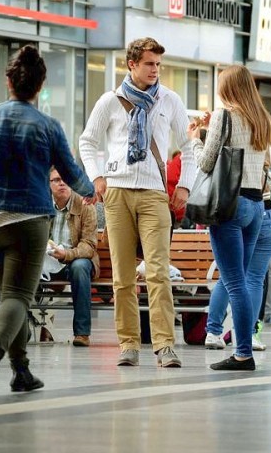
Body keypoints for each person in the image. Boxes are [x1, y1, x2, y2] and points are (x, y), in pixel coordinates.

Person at [0, 44, 94, 397]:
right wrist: (92, 190)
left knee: (9, 295)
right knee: (18, 295)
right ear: (40, 85)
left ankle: (22, 372)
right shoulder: (48, 125)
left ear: (9, 81)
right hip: (29, 219)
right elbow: (71, 172)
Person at [79, 37, 194, 368]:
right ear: (131, 64)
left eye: (158, 64)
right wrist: (97, 178)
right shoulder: (110, 101)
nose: (155, 70)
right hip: (116, 193)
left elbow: (188, 146)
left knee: (158, 272)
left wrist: (184, 185)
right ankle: (128, 343)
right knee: (123, 276)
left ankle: (164, 345)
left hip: (155, 194)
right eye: (149, 63)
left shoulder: (169, 100)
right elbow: (87, 142)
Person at [188, 65, 271, 370]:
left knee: (234, 282)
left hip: (230, 205)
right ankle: (245, 347)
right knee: (243, 280)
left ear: (227, 88)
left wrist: (195, 139)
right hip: (255, 206)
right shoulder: (262, 119)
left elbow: (206, 162)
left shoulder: (224, 115)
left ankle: (242, 353)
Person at [44, 167, 98, 347]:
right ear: (49, 184)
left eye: (65, 179)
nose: (62, 183)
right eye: (57, 180)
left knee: (80, 267)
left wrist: (66, 255)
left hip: (75, 260)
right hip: (47, 261)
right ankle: (21, 328)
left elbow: (89, 246)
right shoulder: (42, 205)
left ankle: (82, 333)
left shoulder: (85, 205)